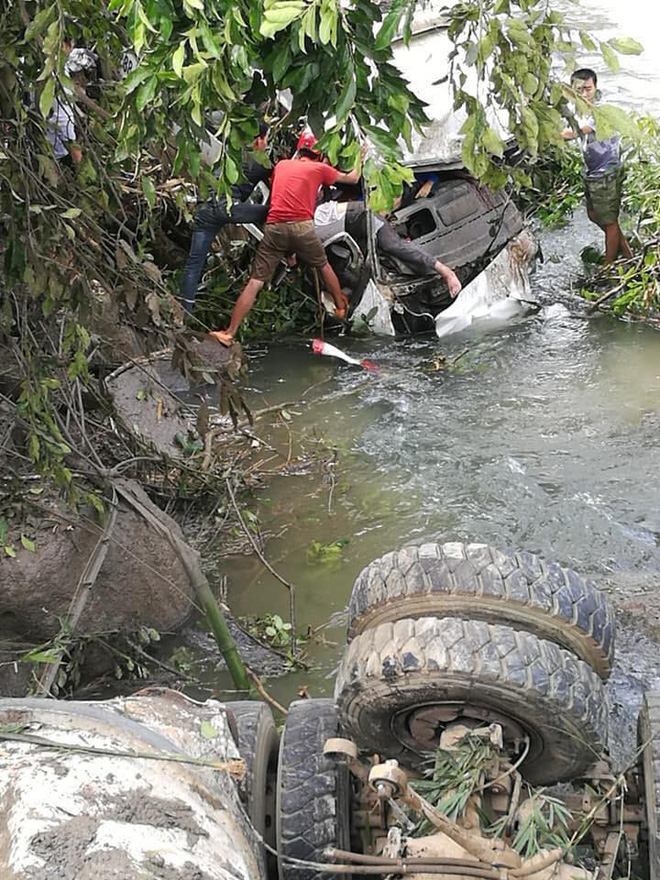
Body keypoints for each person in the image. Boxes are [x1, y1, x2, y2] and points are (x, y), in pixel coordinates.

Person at [209, 132, 363, 346]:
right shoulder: (319, 168)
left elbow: (281, 195)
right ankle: (340, 308)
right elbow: (353, 178)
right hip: (302, 227)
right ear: (319, 155)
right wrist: (360, 156)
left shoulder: (281, 165)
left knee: (255, 281)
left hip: (274, 227)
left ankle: (229, 332)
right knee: (323, 266)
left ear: (299, 150)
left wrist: (289, 252)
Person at [180, 123, 272, 315]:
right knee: (276, 211)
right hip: (229, 208)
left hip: (205, 208)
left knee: (194, 262)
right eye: (266, 140)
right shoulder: (261, 162)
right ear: (259, 140)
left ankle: (184, 310)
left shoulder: (230, 152)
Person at [314, 199, 462, 297]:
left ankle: (446, 272)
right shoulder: (312, 224)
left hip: (365, 217)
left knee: (392, 245)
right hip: (356, 230)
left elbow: (356, 207)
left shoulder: (313, 221)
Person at [562, 68, 632, 265]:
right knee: (594, 215)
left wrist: (545, 135)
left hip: (606, 171)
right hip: (592, 171)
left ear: (595, 87)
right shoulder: (578, 109)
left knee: (609, 221)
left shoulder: (600, 109)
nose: (584, 93)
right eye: (579, 89)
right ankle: (626, 252)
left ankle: (608, 267)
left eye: (588, 89)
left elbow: (576, 132)